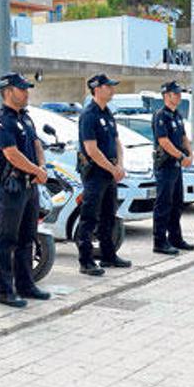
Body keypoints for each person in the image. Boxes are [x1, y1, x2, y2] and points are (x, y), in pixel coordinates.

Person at [0, 72, 51, 307]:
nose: (26, 93)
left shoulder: (25, 118)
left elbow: (36, 143)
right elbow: (11, 154)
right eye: (22, 89)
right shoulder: (1, 121)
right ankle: (4, 291)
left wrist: (41, 167)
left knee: (27, 237)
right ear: (8, 91)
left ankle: (25, 285)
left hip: (29, 186)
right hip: (12, 187)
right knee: (7, 239)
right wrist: (37, 171)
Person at [76, 73, 131, 276]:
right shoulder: (89, 115)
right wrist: (112, 168)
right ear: (97, 89)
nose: (112, 89)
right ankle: (86, 260)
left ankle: (109, 255)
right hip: (95, 174)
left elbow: (116, 142)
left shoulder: (107, 112)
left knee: (109, 216)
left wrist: (120, 165)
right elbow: (91, 149)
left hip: (109, 173)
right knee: (89, 218)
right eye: (108, 86)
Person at [151, 80, 194, 255]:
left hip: (176, 166)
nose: (178, 96)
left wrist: (190, 154)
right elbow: (163, 141)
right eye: (175, 93)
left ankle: (175, 238)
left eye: (179, 93)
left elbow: (184, 137)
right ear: (166, 95)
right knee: (163, 204)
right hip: (165, 166)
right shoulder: (160, 115)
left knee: (177, 204)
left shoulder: (176, 115)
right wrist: (181, 156)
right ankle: (160, 242)